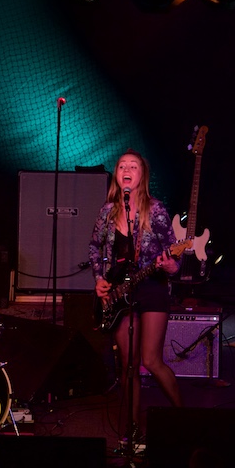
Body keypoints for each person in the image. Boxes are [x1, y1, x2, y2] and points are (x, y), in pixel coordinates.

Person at [88, 149, 181, 440]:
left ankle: (187, 417)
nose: (127, 170)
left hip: (151, 288)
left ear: (142, 175)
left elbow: (174, 253)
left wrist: (171, 266)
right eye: (122, 166)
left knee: (151, 361)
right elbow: (94, 248)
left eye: (134, 166)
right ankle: (132, 432)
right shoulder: (106, 212)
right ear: (117, 175)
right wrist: (99, 280)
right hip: (119, 294)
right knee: (128, 367)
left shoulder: (157, 210)